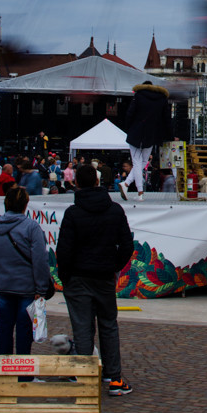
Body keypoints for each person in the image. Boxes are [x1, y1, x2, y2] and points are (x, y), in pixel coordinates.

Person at [56, 164, 134, 396]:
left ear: (76, 183)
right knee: (108, 325)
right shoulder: (114, 210)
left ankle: (83, 374)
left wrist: (65, 276)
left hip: (78, 277)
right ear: (98, 182)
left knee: (82, 328)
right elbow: (127, 245)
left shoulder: (73, 212)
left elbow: (64, 250)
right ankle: (114, 378)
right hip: (103, 276)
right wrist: (114, 266)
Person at [0, 186, 50, 355]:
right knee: (24, 331)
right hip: (26, 287)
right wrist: (41, 288)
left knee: (4, 328)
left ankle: (2, 367)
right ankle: (23, 373)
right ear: (26, 205)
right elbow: (40, 260)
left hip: (3, 285)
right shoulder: (31, 227)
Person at [120, 81, 172, 201]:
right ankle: (127, 184)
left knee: (137, 162)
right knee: (143, 162)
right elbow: (167, 119)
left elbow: (129, 114)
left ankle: (139, 192)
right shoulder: (162, 99)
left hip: (136, 133)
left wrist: (128, 128)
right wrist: (170, 135)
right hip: (151, 135)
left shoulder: (138, 96)